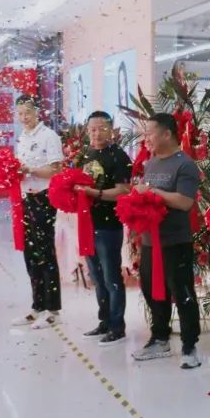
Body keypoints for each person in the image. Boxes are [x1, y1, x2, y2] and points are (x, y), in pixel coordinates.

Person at [131, 112, 203, 369]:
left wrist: (152, 192)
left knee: (182, 293)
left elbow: (184, 202)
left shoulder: (185, 165)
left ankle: (189, 345)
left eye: (150, 133)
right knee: (152, 290)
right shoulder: (151, 163)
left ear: (167, 134)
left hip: (175, 242)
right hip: (151, 241)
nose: (146, 138)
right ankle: (160, 338)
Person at [77, 111, 132, 346]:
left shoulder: (119, 156)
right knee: (97, 277)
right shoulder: (85, 155)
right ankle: (105, 321)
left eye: (101, 128)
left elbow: (123, 190)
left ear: (111, 130)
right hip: (87, 223)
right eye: (92, 129)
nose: (96, 133)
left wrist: (95, 193)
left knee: (111, 278)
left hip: (109, 225)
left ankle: (117, 326)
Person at [12, 95, 65, 330]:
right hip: (25, 198)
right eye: (20, 113)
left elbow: (56, 169)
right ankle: (38, 306)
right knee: (31, 254)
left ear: (37, 113)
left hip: (44, 199)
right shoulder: (22, 137)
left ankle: (53, 310)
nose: (24, 117)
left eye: (28, 113)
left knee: (45, 253)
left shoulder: (48, 136)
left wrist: (30, 170)